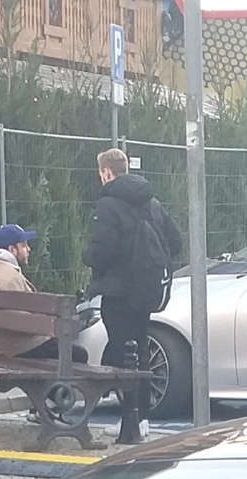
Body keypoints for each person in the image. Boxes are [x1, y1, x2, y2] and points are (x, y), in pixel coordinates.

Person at [83, 149, 183, 443]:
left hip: (117, 292)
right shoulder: (151, 202)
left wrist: (87, 255)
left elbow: (102, 251)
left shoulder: (108, 204)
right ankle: (143, 419)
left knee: (120, 355)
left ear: (106, 173)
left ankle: (130, 421)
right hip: (146, 290)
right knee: (139, 351)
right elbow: (175, 241)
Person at [0, 223, 54, 360]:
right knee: (78, 354)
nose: (29, 249)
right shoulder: (11, 278)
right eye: (24, 245)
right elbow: (22, 323)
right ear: (12, 250)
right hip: (20, 347)